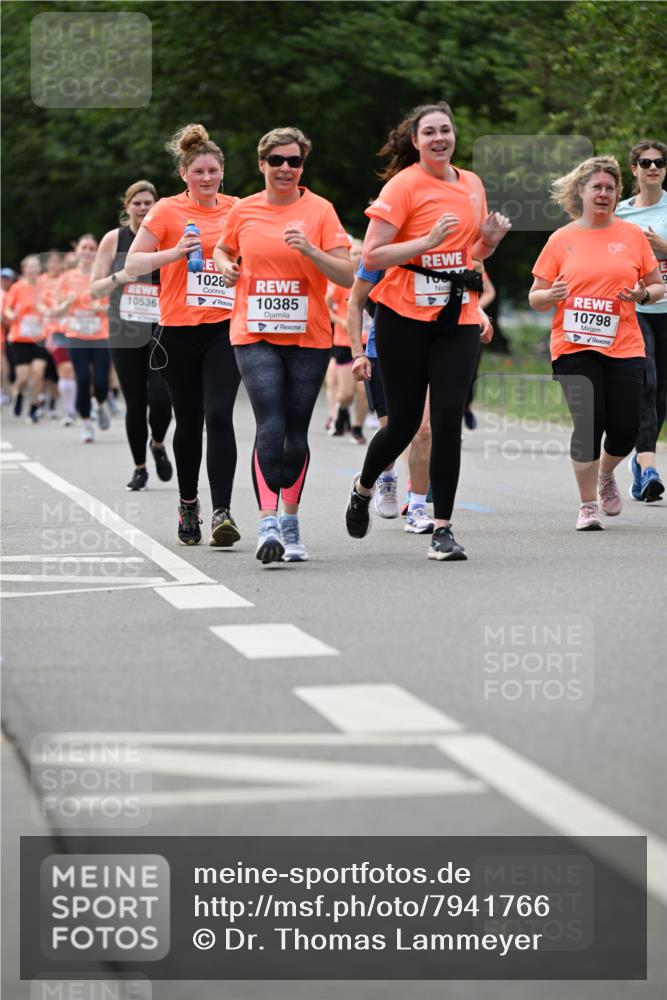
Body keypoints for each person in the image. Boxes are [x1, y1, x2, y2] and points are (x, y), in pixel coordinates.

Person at [344, 101, 510, 560]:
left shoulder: (472, 184)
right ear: (415, 142)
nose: (439, 138)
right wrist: (426, 241)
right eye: (429, 132)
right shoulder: (403, 187)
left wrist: (490, 240)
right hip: (402, 317)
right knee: (402, 426)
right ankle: (362, 489)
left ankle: (442, 527)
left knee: (446, 423)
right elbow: (373, 256)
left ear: (455, 136)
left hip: (456, 316)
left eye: (446, 130)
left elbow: (470, 253)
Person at [214, 126, 353, 564]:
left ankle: (291, 520)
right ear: (262, 164)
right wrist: (227, 268)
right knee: (269, 422)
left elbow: (348, 275)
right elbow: (222, 250)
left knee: (296, 432)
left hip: (308, 336)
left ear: (302, 166)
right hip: (253, 332)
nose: (286, 169)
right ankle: (267, 521)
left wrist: (311, 250)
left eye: (294, 161)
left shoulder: (321, 210)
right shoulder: (244, 210)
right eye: (277, 161)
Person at [529, 155, 663, 531]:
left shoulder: (632, 236)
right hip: (573, 345)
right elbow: (535, 297)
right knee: (590, 423)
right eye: (596, 188)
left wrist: (643, 294)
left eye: (610, 188)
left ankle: (606, 474)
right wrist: (551, 294)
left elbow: (657, 285)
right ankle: (587, 504)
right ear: (581, 193)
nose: (603, 194)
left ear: (617, 193)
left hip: (624, 344)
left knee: (623, 429)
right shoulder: (562, 239)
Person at [127, 124, 241, 545]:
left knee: (219, 415)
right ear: (184, 174)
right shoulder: (167, 212)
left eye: (213, 171)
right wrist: (174, 253)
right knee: (189, 422)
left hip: (225, 329)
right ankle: (188, 503)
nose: (207, 179)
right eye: (199, 172)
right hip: (177, 330)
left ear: (222, 172)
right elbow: (135, 262)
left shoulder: (238, 209)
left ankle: (222, 513)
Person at [91, 180, 173, 491]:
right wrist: (121, 275)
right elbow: (94, 288)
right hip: (125, 330)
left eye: (148, 203)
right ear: (127, 207)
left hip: (161, 329)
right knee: (136, 402)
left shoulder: (164, 238)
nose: (142, 208)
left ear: (156, 206)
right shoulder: (114, 240)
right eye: (136, 203)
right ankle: (140, 467)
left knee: (162, 398)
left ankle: (159, 442)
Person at [615, 139, 667, 502]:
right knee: (645, 382)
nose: (653, 168)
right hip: (635, 310)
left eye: (659, 162)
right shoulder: (620, 214)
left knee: (662, 390)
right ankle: (649, 466)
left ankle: (639, 462)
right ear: (633, 169)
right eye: (645, 162)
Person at [55, 234, 111, 443]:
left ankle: (102, 402)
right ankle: (87, 424)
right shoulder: (66, 278)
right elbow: (58, 312)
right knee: (83, 379)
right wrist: (67, 305)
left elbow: (114, 307)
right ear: (76, 250)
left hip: (100, 335)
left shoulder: (103, 275)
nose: (87, 252)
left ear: (96, 252)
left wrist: (101, 308)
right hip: (76, 335)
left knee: (101, 381)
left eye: (91, 248)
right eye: (84, 248)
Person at [325, 238, 368, 444]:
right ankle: (341, 410)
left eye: (361, 253)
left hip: (369, 341)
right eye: (354, 253)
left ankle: (357, 428)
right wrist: (340, 321)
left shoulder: (374, 278)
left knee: (365, 390)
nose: (358, 256)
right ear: (348, 257)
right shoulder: (342, 281)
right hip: (344, 342)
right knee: (346, 394)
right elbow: (326, 306)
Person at [4, 254, 49, 422]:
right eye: (30, 266)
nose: (33, 269)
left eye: (36, 266)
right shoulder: (17, 287)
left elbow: (51, 307)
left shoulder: (45, 287)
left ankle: (33, 408)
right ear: (24, 269)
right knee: (22, 377)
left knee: (38, 374)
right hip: (20, 338)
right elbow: (7, 309)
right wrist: (12, 314)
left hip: (39, 337)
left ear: (39, 269)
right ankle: (20, 394)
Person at [38, 251, 77, 425]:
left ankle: (78, 406)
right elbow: (41, 307)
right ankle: (69, 411)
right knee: (64, 369)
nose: (55, 265)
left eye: (57, 262)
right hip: (55, 331)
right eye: (52, 262)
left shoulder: (69, 280)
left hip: (76, 330)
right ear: (47, 265)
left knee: (74, 371)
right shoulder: (42, 283)